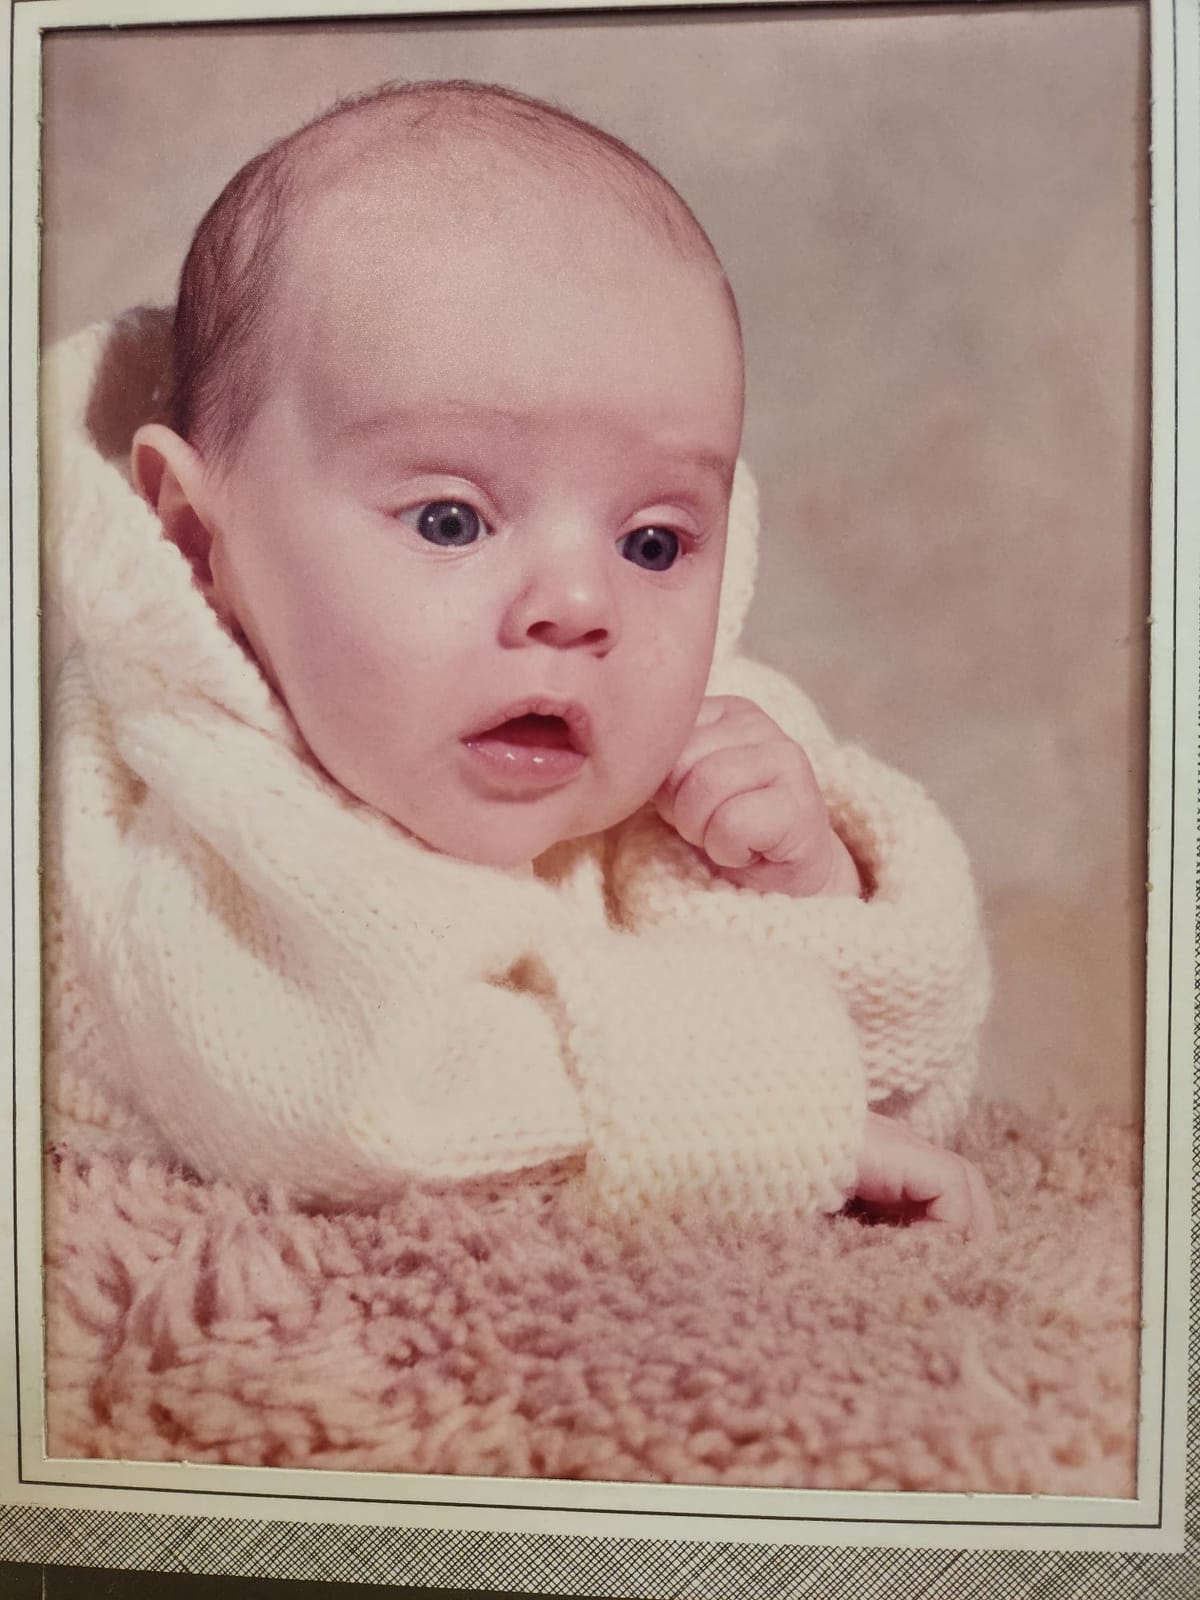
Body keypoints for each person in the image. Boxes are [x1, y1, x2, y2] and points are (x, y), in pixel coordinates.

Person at [41, 80, 995, 1236]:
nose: (581, 604)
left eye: (653, 541)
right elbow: (355, 1108)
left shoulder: (682, 742)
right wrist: (769, 1119)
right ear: (199, 540)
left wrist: (803, 885)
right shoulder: (194, 798)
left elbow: (911, 1090)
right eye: (451, 520)